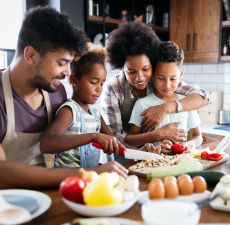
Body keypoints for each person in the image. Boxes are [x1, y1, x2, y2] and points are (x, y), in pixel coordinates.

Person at [0, 6, 120, 194]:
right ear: (30, 55)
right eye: (61, 63)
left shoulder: (56, 93)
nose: (67, 72)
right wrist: (89, 173)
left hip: (43, 195)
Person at [101, 22, 208, 153]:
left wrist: (165, 108)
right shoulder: (113, 88)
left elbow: (203, 96)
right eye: (131, 71)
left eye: (145, 69)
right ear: (121, 66)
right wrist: (159, 134)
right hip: (121, 156)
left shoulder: (160, 79)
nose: (139, 77)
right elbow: (115, 138)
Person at [40, 43, 128, 177]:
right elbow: (47, 143)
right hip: (69, 180)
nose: (99, 88)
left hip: (90, 179)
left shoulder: (95, 113)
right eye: (94, 82)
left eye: (102, 83)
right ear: (74, 80)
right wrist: (93, 136)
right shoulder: (69, 111)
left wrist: (142, 151)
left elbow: (114, 141)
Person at [126, 41, 203, 153]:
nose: (167, 85)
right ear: (152, 75)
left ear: (181, 73)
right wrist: (152, 146)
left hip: (181, 162)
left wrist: (189, 144)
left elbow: (198, 136)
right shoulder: (142, 104)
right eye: (161, 78)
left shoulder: (186, 102)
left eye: (172, 79)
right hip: (153, 164)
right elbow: (131, 142)